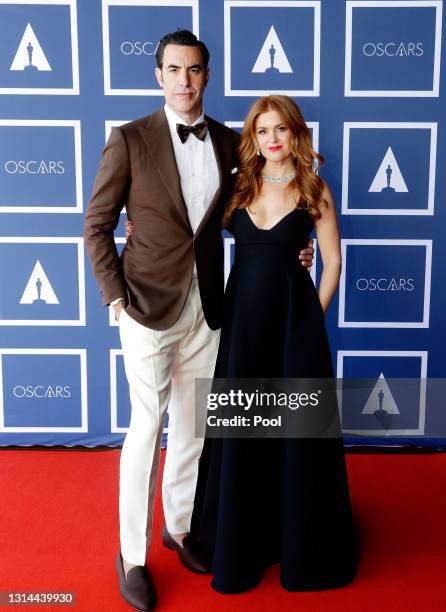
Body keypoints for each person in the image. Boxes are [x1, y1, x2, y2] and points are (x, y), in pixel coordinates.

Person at [84, 30, 314, 611]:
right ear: (158, 76)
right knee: (145, 431)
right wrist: (118, 299)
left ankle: (180, 529)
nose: (184, 80)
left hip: (211, 309)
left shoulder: (232, 144)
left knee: (192, 428)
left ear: (207, 76)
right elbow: (97, 224)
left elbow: (260, 214)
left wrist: (296, 251)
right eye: (174, 69)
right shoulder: (129, 139)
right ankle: (132, 556)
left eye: (194, 70)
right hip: (146, 309)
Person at [189, 95, 359, 594]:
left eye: (280, 129)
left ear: (295, 134)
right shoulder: (239, 187)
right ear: (254, 138)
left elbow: (332, 260)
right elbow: (196, 236)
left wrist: (311, 318)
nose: (272, 139)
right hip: (243, 330)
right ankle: (245, 539)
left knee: (295, 434)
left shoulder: (315, 190)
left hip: (293, 331)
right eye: (262, 131)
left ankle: (300, 544)